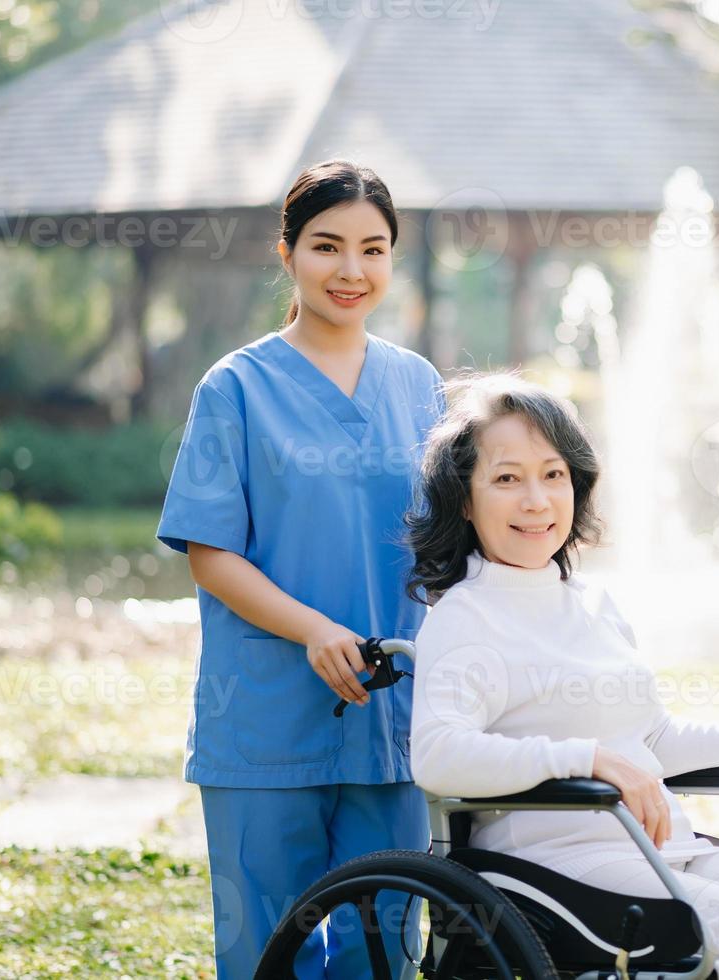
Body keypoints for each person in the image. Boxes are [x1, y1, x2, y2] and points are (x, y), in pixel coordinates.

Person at [405, 373, 719, 980]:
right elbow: (437, 754)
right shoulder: (464, 616)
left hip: (662, 850)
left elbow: (650, 740)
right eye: (507, 478)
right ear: (464, 499)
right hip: (551, 873)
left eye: (553, 474)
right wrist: (586, 758)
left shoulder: (591, 604)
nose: (536, 500)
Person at [156, 159, 444, 979]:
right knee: (265, 954)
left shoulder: (418, 386)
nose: (351, 271)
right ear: (286, 252)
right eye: (326, 246)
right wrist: (316, 631)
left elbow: (451, 544)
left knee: (384, 948)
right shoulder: (235, 388)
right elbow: (211, 555)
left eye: (373, 249)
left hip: (389, 715)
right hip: (265, 720)